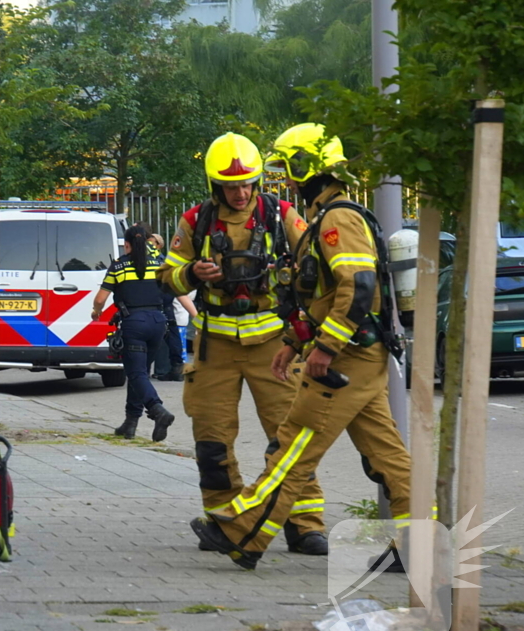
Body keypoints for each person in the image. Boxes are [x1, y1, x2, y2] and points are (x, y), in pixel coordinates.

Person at [189, 123, 411, 570]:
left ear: (308, 167)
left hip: (347, 358)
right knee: (388, 458)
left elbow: (358, 285)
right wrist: (294, 342)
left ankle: (242, 533)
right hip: (360, 354)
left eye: (289, 169)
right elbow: (326, 295)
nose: (287, 180)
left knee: (294, 445)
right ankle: (421, 548)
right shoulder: (327, 216)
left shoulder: (336, 219)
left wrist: (325, 348)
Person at [157, 132, 329, 556]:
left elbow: (315, 266)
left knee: (289, 435)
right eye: (231, 186)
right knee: (211, 439)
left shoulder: (281, 215)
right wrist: (193, 274)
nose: (241, 193)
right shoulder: (195, 221)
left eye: (247, 184)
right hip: (215, 344)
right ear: (215, 186)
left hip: (274, 343)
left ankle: (304, 524)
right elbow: (167, 278)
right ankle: (224, 522)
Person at [92, 224, 176, 442]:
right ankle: (130, 423)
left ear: (126, 244)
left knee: (136, 373)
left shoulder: (119, 266)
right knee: (140, 373)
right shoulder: (159, 264)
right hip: (158, 322)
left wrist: (96, 312)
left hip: (135, 323)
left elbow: (100, 299)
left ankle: (157, 410)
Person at [145, 231, 197, 381]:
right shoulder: (164, 262)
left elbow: (180, 291)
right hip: (167, 305)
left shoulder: (163, 262)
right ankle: (175, 368)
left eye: (153, 242)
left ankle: (171, 368)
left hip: (162, 304)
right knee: (171, 335)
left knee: (168, 336)